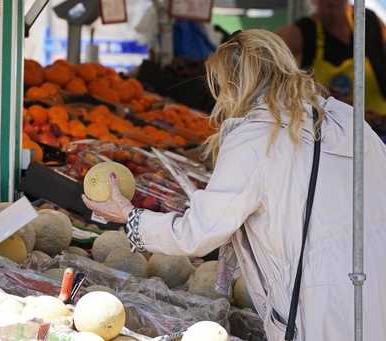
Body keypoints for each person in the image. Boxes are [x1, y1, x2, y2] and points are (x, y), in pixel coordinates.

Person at [82, 29, 386, 341]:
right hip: (375, 289)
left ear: (233, 84)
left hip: (320, 306)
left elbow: (199, 233)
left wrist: (131, 218)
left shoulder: (256, 136)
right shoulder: (348, 119)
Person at [277, 0, 386, 138]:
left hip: (379, 128)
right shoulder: (299, 33)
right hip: (329, 135)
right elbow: (268, 58)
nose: (331, 1)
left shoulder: (369, 21)